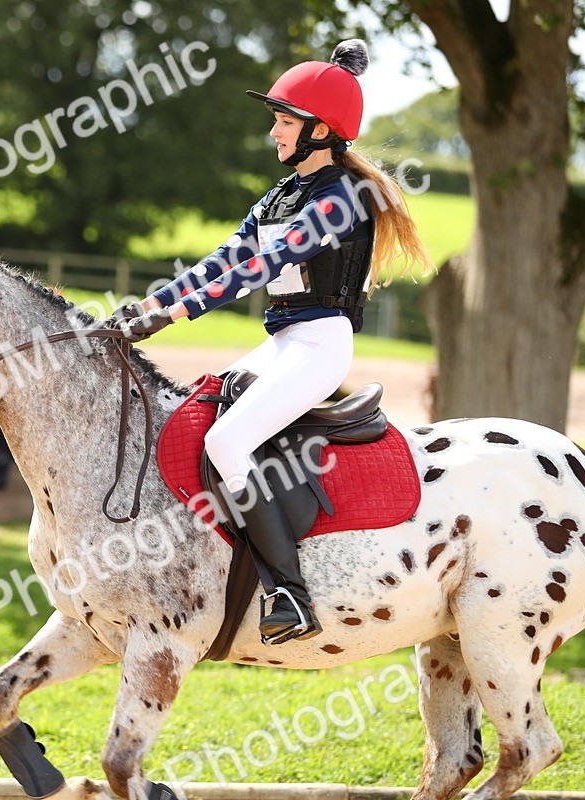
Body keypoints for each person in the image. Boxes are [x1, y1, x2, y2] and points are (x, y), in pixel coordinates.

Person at [112, 40, 433, 644]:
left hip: (319, 345)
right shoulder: (280, 196)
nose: (274, 134)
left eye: (284, 122)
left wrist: (175, 315)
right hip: (283, 342)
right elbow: (225, 259)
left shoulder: (341, 199)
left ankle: (291, 592)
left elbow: (263, 267)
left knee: (229, 440)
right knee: (191, 416)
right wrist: (150, 305)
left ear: (319, 130)